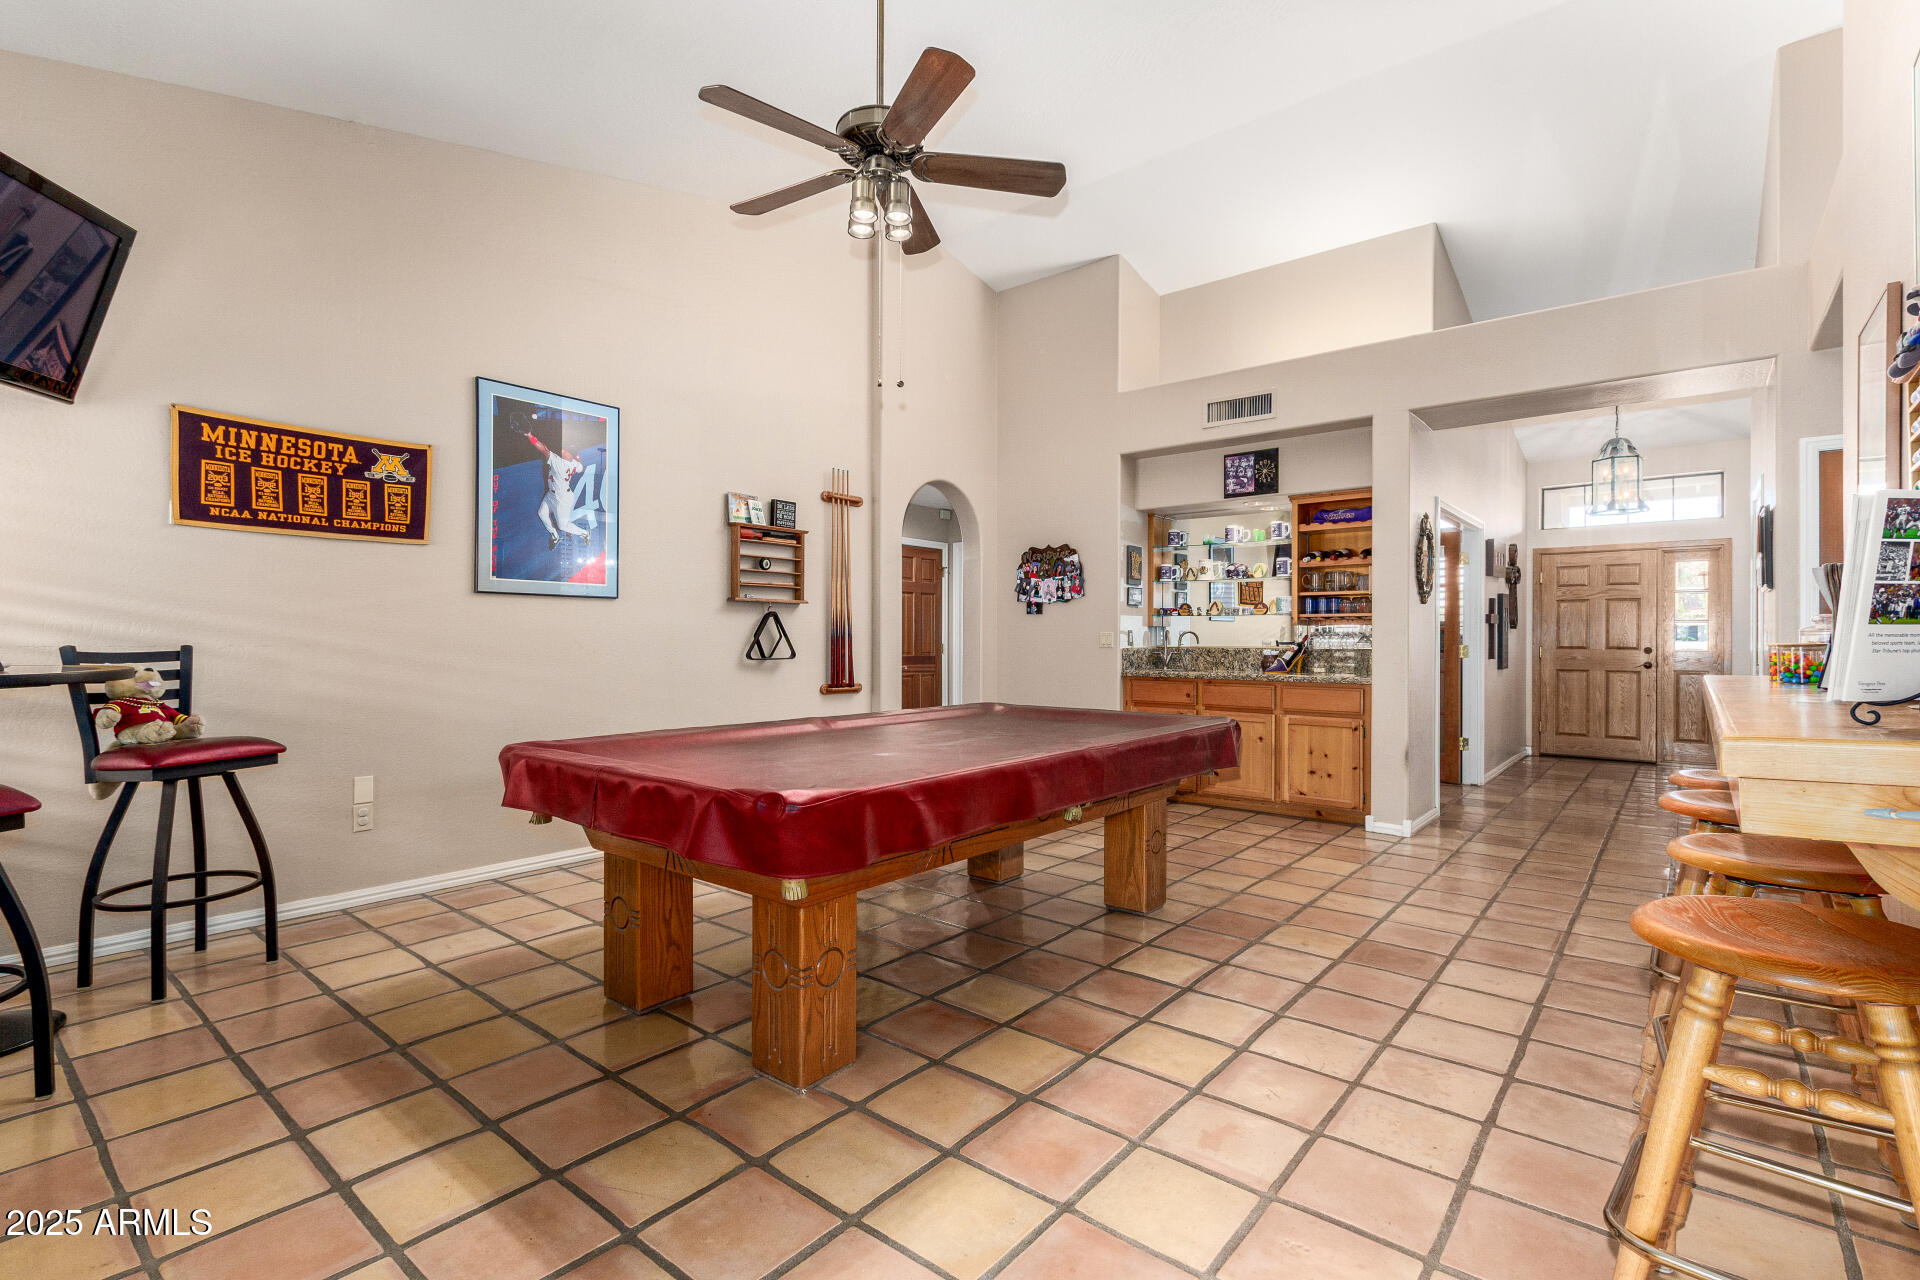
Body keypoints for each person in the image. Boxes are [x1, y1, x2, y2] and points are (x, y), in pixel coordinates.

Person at [524, 430, 588, 549]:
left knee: (563, 526)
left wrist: (529, 436)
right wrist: (578, 458)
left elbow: (543, 449)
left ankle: (584, 533)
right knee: (542, 513)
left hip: (562, 498)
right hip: (552, 494)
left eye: (566, 451)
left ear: (570, 455)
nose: (562, 451)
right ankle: (555, 536)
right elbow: (582, 468)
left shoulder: (559, 462)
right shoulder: (574, 463)